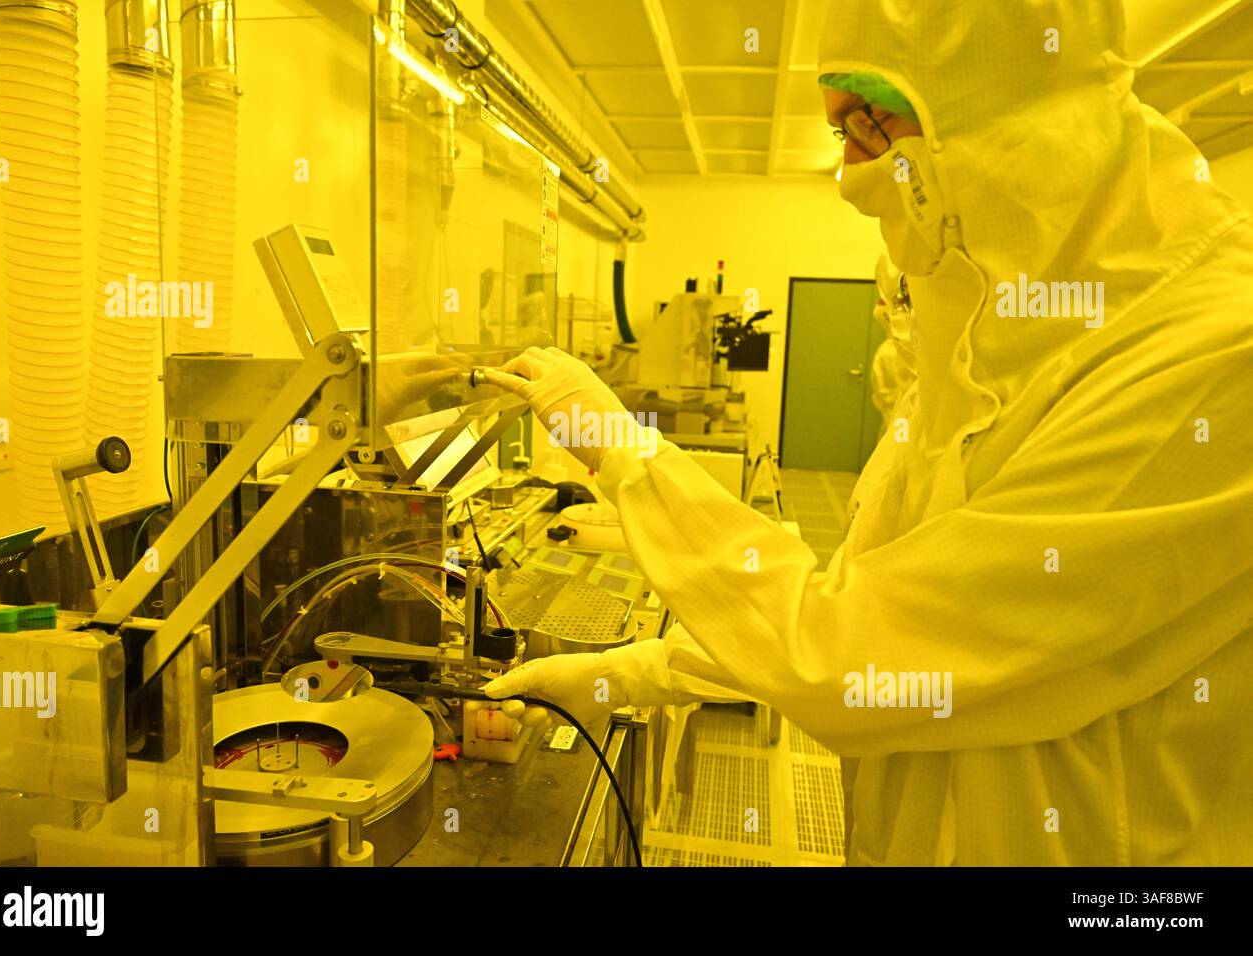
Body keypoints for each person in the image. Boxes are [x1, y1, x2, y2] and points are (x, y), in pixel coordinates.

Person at [484, 0, 1253, 865]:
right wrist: (640, 672)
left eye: (872, 121)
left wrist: (623, 450)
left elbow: (849, 658)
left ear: (1012, 108)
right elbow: (898, 617)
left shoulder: (1215, 356)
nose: (849, 168)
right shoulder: (984, 352)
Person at [868, 251, 916, 433]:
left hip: (911, 373)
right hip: (895, 363)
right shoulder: (889, 261)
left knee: (902, 435)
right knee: (895, 430)